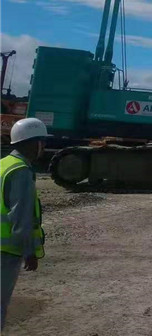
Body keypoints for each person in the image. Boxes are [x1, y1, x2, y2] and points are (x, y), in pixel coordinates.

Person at [1, 118, 47, 329]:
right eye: (41, 142)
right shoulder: (21, 171)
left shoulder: (3, 164)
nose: (43, 147)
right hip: (7, 249)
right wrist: (29, 251)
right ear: (30, 142)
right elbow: (21, 216)